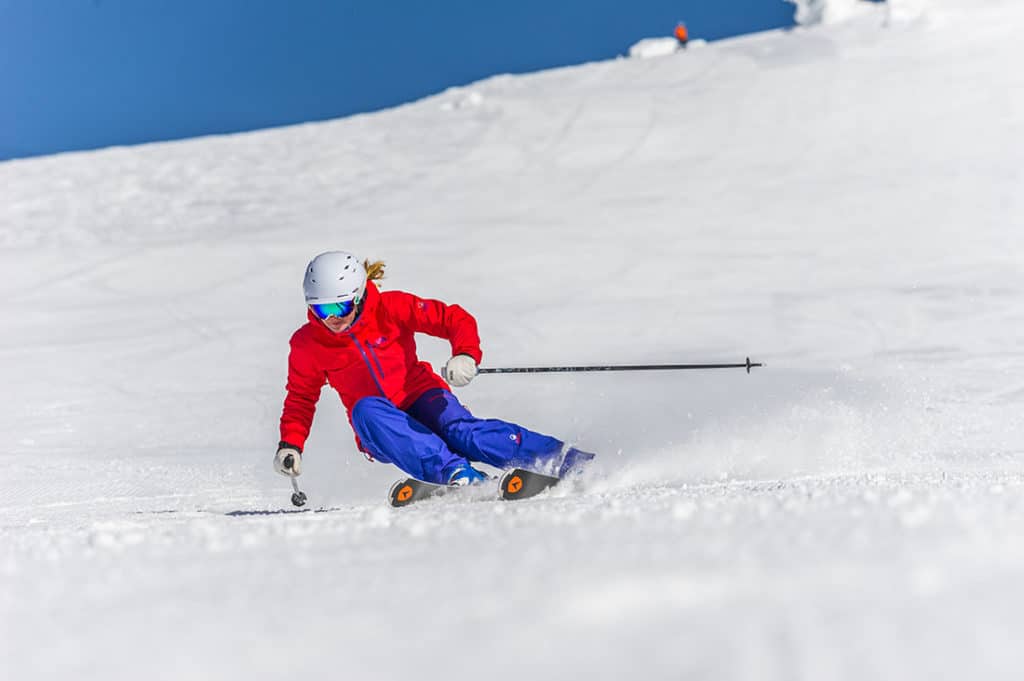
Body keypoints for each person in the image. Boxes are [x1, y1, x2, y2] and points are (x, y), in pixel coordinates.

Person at [274, 250, 594, 486]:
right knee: (365, 410)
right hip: (380, 426)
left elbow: (452, 319)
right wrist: (291, 444)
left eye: (339, 306)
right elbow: (301, 398)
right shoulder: (307, 345)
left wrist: (465, 354)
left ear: (357, 296)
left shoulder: (391, 308)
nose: (331, 319)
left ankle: (562, 459)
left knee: (463, 433)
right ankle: (455, 472)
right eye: (320, 309)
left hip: (421, 393)